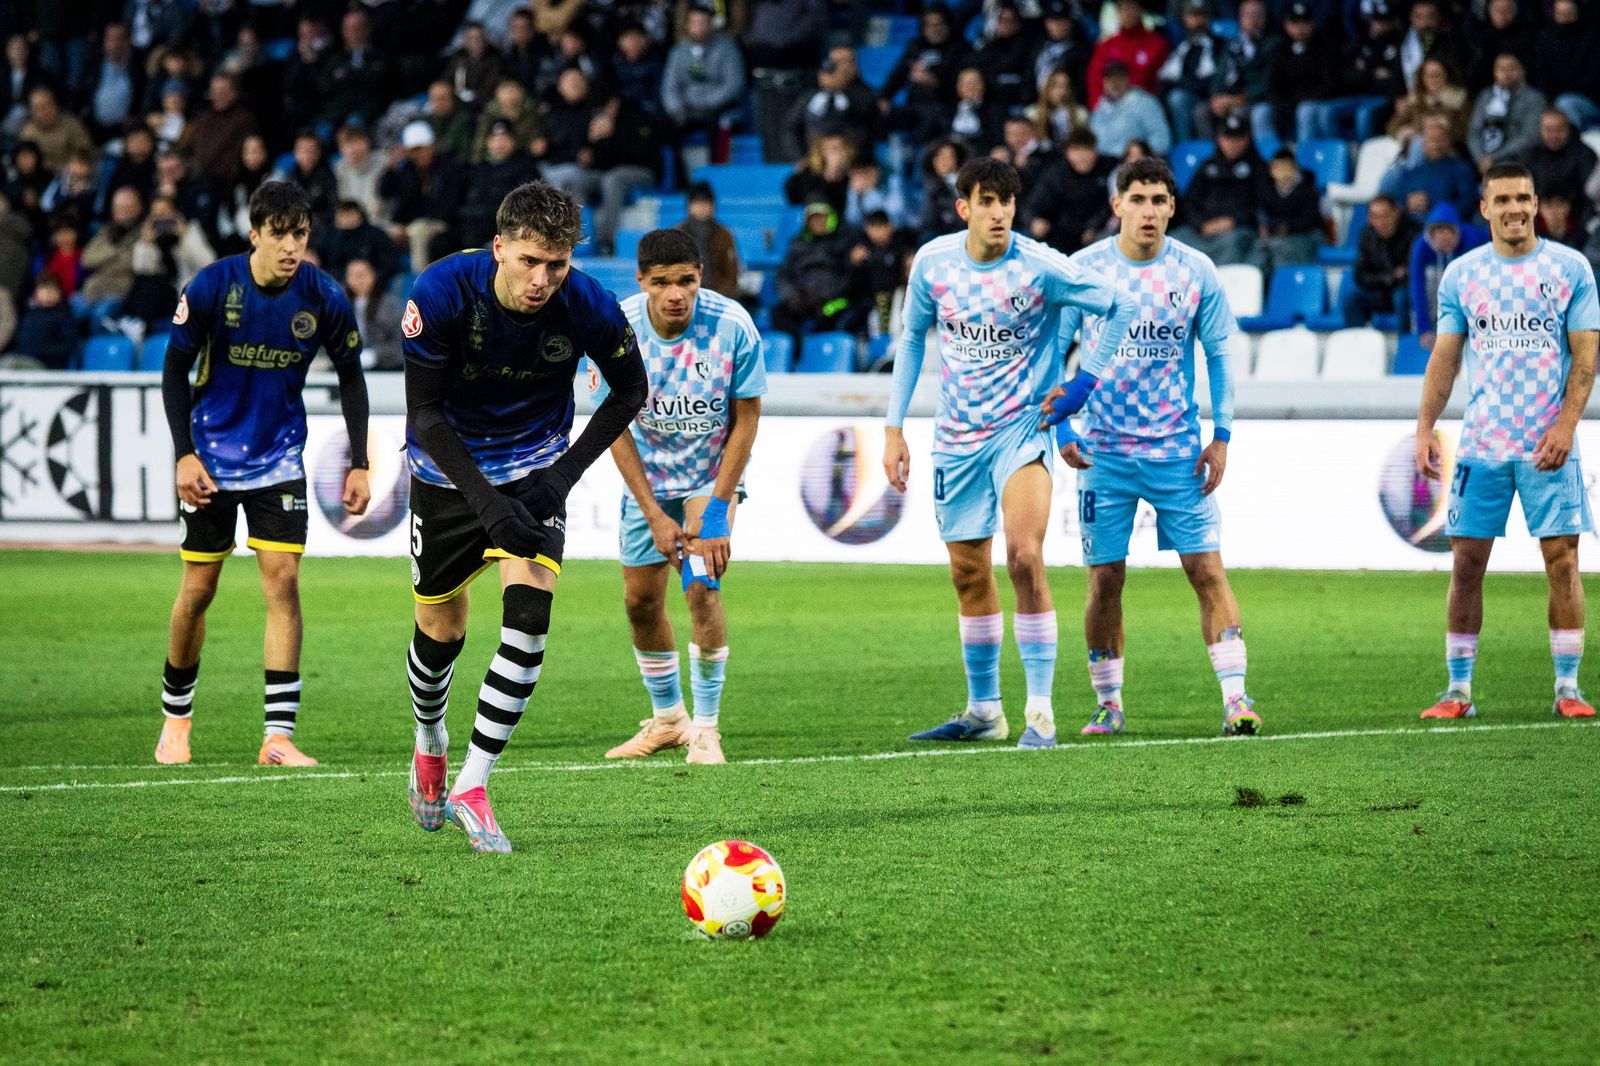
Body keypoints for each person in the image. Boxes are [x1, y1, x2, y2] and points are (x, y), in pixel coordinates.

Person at [401, 181, 648, 853]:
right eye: (529, 262)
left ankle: (473, 784)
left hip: (535, 470)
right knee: (440, 634)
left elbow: (631, 389)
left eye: (556, 265)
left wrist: (560, 477)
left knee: (531, 620)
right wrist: (486, 503)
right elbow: (425, 414)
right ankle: (430, 736)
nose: (542, 280)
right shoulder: (440, 292)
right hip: (447, 475)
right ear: (499, 248)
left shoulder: (587, 303)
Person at [882, 157, 1134, 749]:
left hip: (1022, 430)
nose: (999, 213)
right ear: (963, 208)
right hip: (957, 438)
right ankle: (984, 711)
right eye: (987, 202)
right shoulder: (934, 263)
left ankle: (1040, 714)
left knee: (1024, 556)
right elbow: (913, 338)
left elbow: (1121, 306)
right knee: (968, 572)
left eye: (1007, 202)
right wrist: (894, 428)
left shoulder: (1042, 266)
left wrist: (1083, 383)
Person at [154, 181, 372, 769]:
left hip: (279, 460)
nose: (291, 246)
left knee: (284, 585)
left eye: (300, 234)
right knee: (198, 591)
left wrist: (359, 462)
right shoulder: (211, 286)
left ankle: (277, 737)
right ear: (255, 235)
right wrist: (183, 454)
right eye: (279, 234)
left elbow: (352, 376)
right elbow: (174, 372)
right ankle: (176, 720)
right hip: (210, 461)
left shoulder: (322, 295)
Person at [1047, 156, 1256, 737]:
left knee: (1206, 569)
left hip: (1176, 452)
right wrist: (1062, 428)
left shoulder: (1196, 271)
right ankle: (1108, 703)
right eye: (1137, 199)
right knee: (1104, 578)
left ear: (1172, 208)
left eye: (1159, 200)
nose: (1148, 211)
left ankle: (1236, 699)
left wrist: (1222, 435)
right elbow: (1053, 352)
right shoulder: (1086, 270)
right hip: (1103, 454)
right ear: (1117, 204)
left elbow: (1219, 356)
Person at [1415, 161, 1597, 721]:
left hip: (1548, 446)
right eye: (1503, 200)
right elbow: (1445, 359)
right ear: (1485, 208)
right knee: (1466, 564)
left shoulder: (1569, 268)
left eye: (1523, 198)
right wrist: (1424, 427)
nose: (1514, 208)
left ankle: (1568, 688)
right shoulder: (1462, 276)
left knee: (1562, 562)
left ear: (1535, 203)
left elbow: (1586, 357)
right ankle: (1458, 692)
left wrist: (1565, 426)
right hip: (1482, 444)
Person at [599, 228, 766, 765]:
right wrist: (652, 513)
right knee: (640, 603)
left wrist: (717, 510)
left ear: (701, 278)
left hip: (708, 478)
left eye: (687, 281)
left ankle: (707, 731)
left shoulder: (732, 325)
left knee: (701, 588)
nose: (676, 294)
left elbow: (747, 420)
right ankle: (670, 720)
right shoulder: (616, 328)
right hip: (649, 481)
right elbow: (612, 426)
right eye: (663, 282)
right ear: (641, 281)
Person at [1343, 194, 1419, 326]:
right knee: (1352, 298)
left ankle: (1404, 338)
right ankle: (1357, 337)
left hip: (1406, 292)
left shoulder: (1413, 233)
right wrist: (1391, 276)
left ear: (1396, 213)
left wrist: (1387, 277)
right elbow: (1360, 275)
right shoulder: (1366, 236)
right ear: (1369, 219)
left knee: (1401, 297)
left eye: (1385, 215)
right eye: (1375, 217)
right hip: (1380, 292)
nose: (1381, 222)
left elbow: (1412, 273)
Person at [674, 181, 740, 299]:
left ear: (713, 206)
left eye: (705, 203)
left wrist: (716, 298)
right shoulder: (678, 235)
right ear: (689, 206)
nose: (701, 208)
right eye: (697, 203)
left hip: (719, 298)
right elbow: (672, 271)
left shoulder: (724, 234)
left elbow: (732, 274)